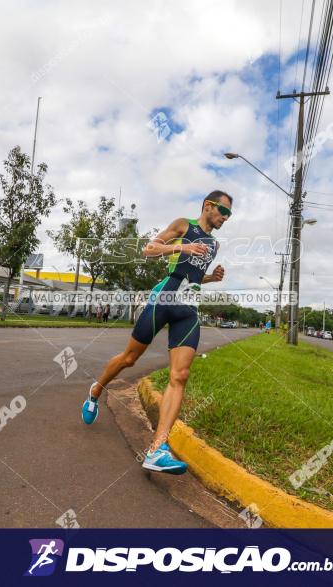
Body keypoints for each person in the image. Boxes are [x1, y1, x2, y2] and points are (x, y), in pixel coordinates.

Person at [81, 190, 232, 474]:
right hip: (163, 299)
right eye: (223, 211)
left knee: (180, 375)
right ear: (208, 206)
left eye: (229, 214)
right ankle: (96, 390)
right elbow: (149, 250)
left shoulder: (214, 244)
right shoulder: (184, 226)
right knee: (129, 359)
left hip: (188, 309)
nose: (225, 218)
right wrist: (181, 247)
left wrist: (213, 277)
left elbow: (194, 277)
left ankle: (157, 449)